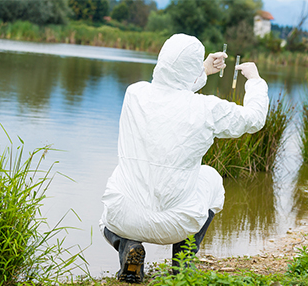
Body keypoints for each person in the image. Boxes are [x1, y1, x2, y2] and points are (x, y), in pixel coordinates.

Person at [99, 33, 269, 283]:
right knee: (210, 178)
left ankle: (128, 247)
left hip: (124, 219)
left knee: (117, 186)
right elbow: (254, 119)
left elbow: (167, 91)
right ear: (190, 68)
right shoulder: (206, 108)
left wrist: (202, 71)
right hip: (176, 225)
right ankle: (182, 265)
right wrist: (255, 81)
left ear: (161, 61)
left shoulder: (134, 94)